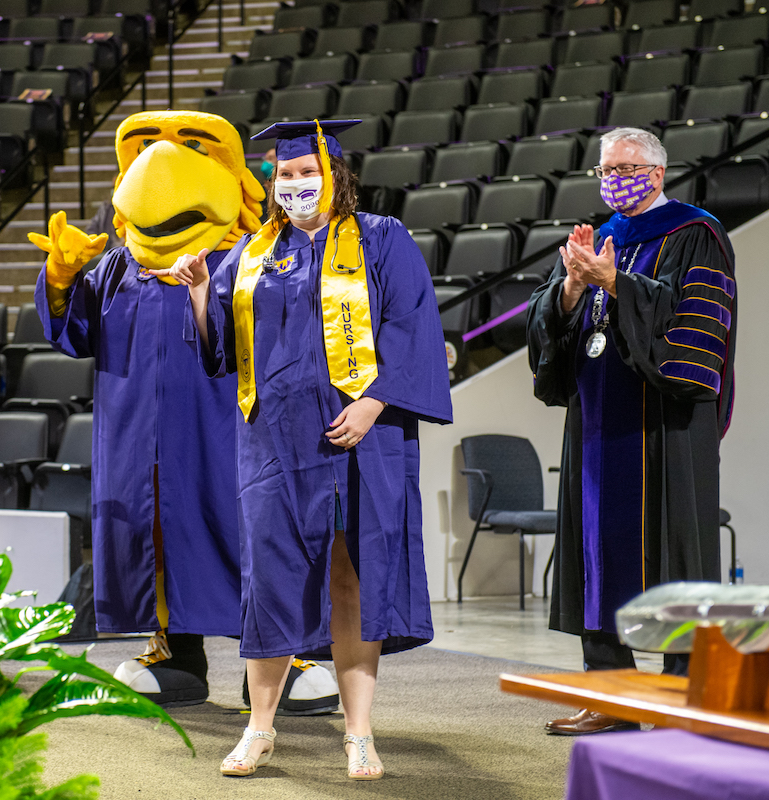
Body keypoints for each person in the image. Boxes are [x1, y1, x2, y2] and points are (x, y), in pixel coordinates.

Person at [162, 120, 453, 780]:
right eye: (284, 175)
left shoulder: (382, 241)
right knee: (266, 582)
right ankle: (259, 729)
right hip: (270, 442)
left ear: (338, 177)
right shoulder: (253, 253)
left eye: (306, 172)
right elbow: (220, 355)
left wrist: (375, 402)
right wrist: (203, 291)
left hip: (358, 438)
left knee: (353, 580)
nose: (294, 184)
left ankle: (358, 733)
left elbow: (411, 330)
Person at [30, 111, 339, 714]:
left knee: (247, 531)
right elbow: (74, 333)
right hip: (137, 438)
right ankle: (175, 654)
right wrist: (62, 277)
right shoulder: (119, 264)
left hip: (226, 429)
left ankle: (280, 658)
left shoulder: (251, 255)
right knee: (161, 539)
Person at [527, 127, 737, 735]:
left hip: (665, 427)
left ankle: (679, 697)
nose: (614, 176)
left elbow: (696, 326)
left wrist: (616, 283)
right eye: (605, 168)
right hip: (596, 428)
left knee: (673, 555)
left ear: (658, 172)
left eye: (626, 166)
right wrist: (571, 286)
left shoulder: (696, 233)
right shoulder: (603, 238)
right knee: (599, 552)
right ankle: (611, 695)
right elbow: (554, 325)